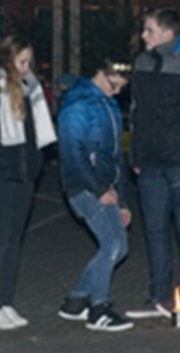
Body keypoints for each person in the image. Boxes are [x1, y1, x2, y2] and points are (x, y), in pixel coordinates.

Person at [126, 8, 180, 318]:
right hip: (150, 160)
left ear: (167, 33)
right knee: (154, 230)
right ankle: (158, 295)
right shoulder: (143, 62)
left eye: (149, 30)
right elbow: (137, 111)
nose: (144, 36)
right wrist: (135, 154)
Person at [0, 35, 56, 330]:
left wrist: (33, 165)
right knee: (0, 241)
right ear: (7, 59)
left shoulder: (29, 88)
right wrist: (1, 164)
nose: (26, 68)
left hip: (23, 174)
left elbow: (35, 134)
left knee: (15, 241)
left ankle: (7, 301)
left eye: (28, 62)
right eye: (21, 62)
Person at [54, 58, 134, 331]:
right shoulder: (77, 105)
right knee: (112, 243)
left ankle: (76, 301)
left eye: (122, 89)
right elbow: (72, 153)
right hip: (84, 186)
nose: (116, 93)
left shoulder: (108, 103)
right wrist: (98, 190)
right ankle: (98, 308)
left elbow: (115, 158)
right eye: (114, 86)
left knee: (118, 246)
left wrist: (122, 200)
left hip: (105, 186)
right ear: (100, 73)